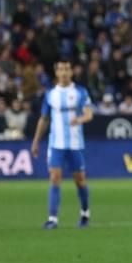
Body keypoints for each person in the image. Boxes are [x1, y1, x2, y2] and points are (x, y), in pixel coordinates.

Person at [30, 60, 94, 229]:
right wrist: (36, 141)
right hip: (56, 144)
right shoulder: (50, 94)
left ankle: (85, 213)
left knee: (80, 180)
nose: (64, 72)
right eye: (61, 69)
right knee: (55, 178)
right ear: (56, 72)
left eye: (67, 69)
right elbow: (44, 119)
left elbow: (89, 114)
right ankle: (53, 219)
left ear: (71, 71)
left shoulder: (80, 92)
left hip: (75, 143)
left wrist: (79, 119)